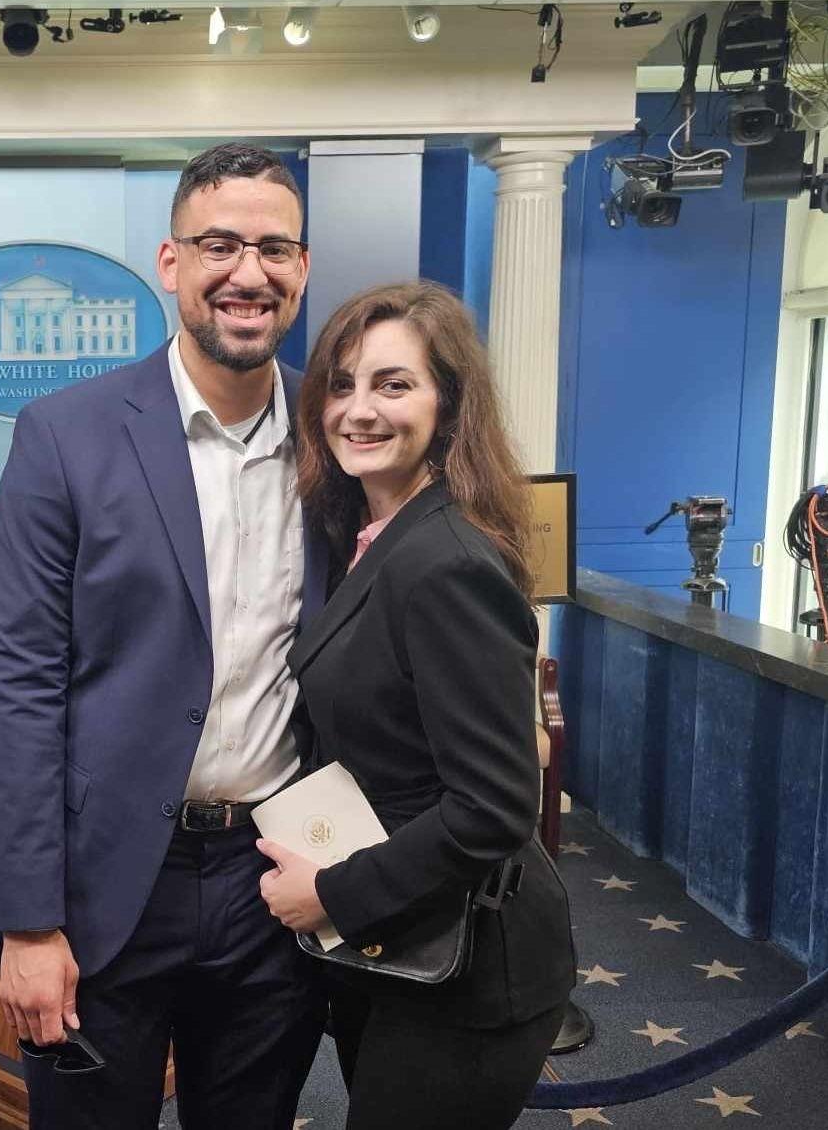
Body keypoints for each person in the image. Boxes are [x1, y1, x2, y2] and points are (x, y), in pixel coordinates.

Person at [0, 142, 329, 1129]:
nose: (248, 272)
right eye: (219, 245)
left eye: (273, 248)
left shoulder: (340, 437)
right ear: (171, 263)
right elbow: (17, 681)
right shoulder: (64, 433)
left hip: (277, 876)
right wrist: (27, 922)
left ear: (302, 267)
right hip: (107, 882)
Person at [258, 279, 577, 1130]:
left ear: (448, 405)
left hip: (470, 973)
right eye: (341, 384)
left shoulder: (445, 562)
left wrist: (334, 893)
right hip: (404, 945)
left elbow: (494, 805)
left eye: (392, 384)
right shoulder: (367, 538)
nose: (358, 409)